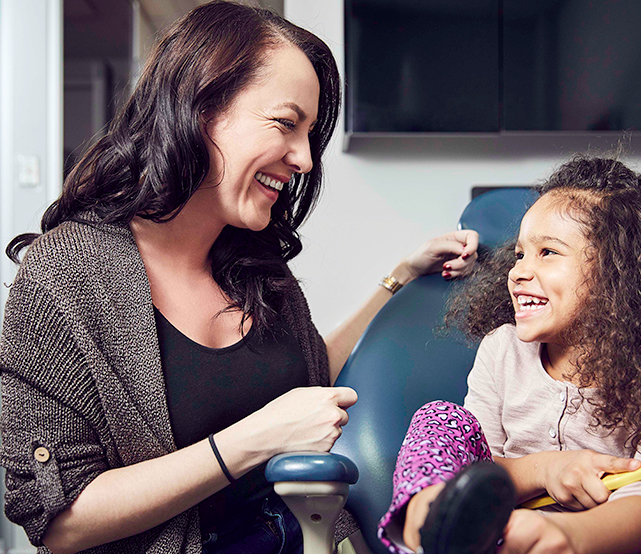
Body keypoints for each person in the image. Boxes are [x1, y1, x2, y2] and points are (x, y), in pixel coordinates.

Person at [0, 2, 478, 553]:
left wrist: (399, 278)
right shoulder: (64, 278)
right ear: (201, 108)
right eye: (285, 123)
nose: (303, 158)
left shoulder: (253, 265)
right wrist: (250, 443)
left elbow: (308, 374)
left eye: (310, 134)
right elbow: (60, 523)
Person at [377, 155, 641, 554]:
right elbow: (478, 466)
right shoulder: (503, 351)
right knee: (441, 418)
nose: (518, 272)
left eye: (547, 252)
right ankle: (426, 524)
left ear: (623, 275)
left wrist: (564, 540)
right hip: (497, 543)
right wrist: (548, 470)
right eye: (519, 254)